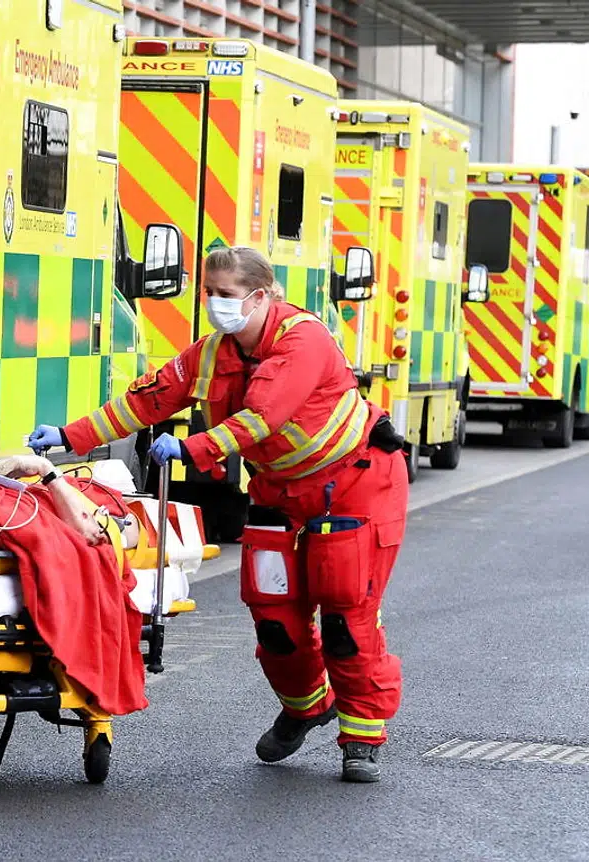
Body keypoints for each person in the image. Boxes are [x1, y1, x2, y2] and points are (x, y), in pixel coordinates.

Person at [28, 245, 408, 784]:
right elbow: (146, 402)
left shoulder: (304, 340)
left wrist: (193, 449)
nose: (212, 304)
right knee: (275, 619)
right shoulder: (213, 352)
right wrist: (69, 437)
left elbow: (264, 418)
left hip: (353, 488)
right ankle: (307, 707)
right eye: (207, 293)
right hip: (280, 493)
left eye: (224, 295)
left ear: (260, 296)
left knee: (346, 617)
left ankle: (362, 738)